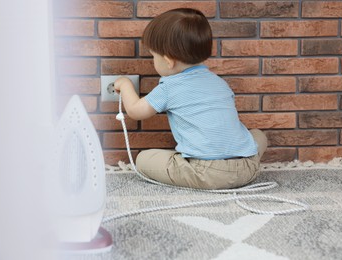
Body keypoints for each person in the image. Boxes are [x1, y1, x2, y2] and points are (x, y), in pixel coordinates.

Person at [114, 8, 267, 190]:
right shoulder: (219, 82)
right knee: (258, 135)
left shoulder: (170, 87)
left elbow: (135, 111)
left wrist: (124, 85)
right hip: (247, 167)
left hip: (206, 173)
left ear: (169, 61)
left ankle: (196, 163)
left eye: (153, 56)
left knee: (143, 159)